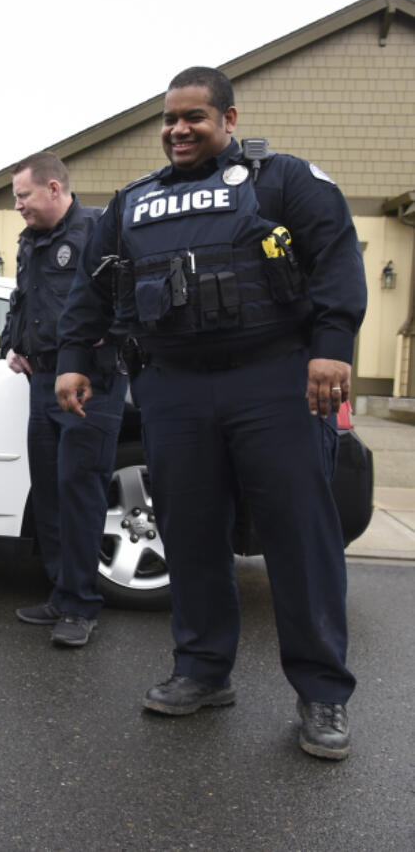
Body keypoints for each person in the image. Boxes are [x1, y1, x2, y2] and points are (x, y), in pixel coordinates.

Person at [55, 67, 366, 760]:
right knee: (191, 535)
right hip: (174, 389)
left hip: (276, 382)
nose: (178, 129)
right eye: (169, 119)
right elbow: (92, 288)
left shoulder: (282, 180)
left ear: (228, 118)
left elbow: (336, 256)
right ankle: (201, 670)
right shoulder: (133, 203)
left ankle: (322, 693)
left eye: (194, 116)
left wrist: (333, 345)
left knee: (299, 541)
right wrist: (73, 356)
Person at [2, 153, 124, 647]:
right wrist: (10, 343)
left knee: (80, 492)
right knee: (50, 492)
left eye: (23, 196)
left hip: (90, 383)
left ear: (54, 189)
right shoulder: (31, 241)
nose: (17, 206)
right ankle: (60, 590)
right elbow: (23, 300)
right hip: (42, 380)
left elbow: (128, 298)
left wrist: (106, 336)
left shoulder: (100, 231)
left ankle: (81, 606)